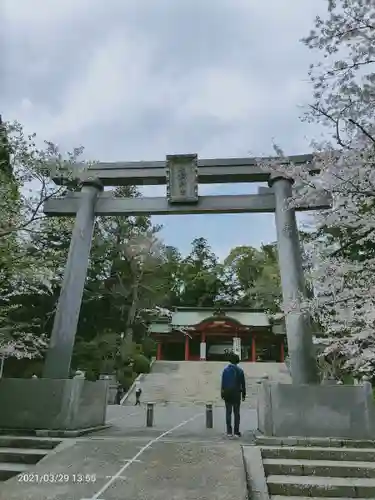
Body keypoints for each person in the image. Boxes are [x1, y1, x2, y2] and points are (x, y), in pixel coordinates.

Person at [221, 352, 246, 438]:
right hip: (236, 393)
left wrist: (222, 393)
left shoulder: (225, 370)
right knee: (236, 413)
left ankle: (229, 431)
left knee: (228, 412)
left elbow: (223, 383)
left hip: (227, 393)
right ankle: (236, 432)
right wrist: (243, 395)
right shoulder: (240, 371)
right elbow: (243, 384)